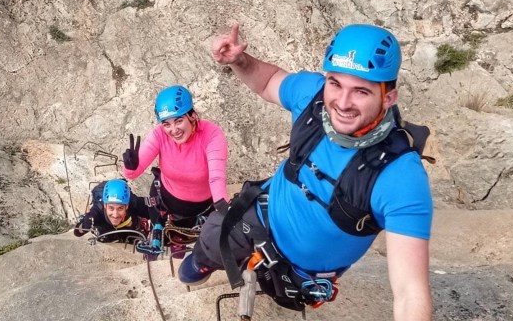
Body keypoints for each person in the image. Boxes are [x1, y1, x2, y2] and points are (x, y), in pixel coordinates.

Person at [178, 24, 434, 320]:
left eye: (361, 91)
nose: (342, 102)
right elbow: (269, 82)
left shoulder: (399, 177)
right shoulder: (313, 97)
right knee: (212, 234)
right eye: (335, 84)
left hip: (301, 275)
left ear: (388, 98)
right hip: (259, 217)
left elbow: (409, 291)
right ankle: (202, 262)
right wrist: (239, 60)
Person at [122, 85, 230, 255]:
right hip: (164, 200)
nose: (173, 130)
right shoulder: (159, 134)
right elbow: (133, 174)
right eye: (167, 124)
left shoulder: (211, 135)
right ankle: (157, 229)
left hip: (200, 206)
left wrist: (223, 208)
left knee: (182, 255)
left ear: (192, 116)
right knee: (169, 254)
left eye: (178, 120)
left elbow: (216, 177)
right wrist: (130, 166)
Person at [73, 179, 150, 243]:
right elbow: (77, 232)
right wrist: (84, 225)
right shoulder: (98, 210)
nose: (115, 215)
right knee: (104, 234)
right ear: (105, 205)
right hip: (107, 232)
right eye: (111, 208)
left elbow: (152, 211)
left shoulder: (133, 202)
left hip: (129, 230)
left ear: (126, 206)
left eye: (120, 208)